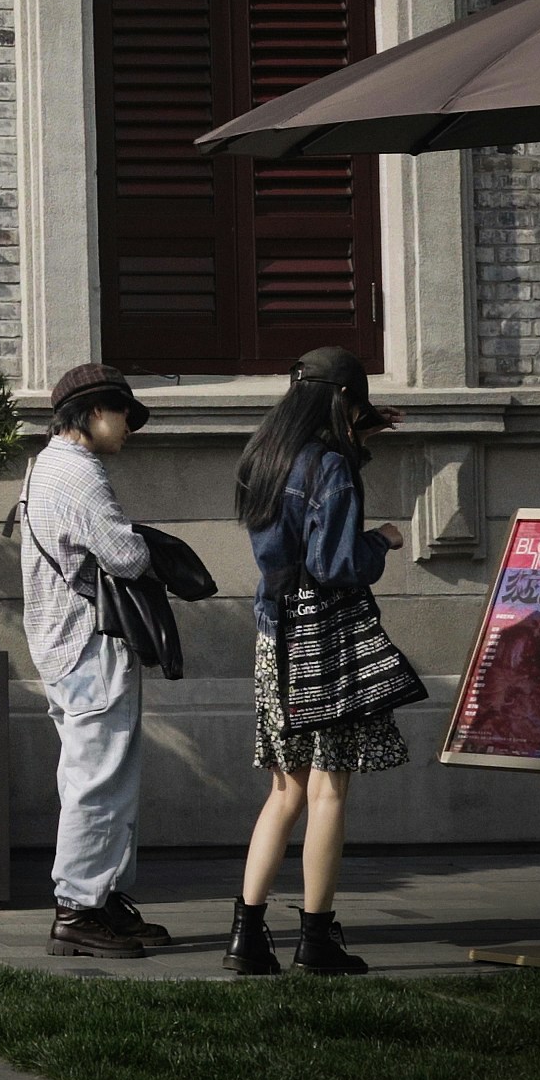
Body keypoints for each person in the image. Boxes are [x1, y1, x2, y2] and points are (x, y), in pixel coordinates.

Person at [229, 346, 418, 977]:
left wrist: (356, 432)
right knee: (329, 788)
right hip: (323, 641)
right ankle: (317, 938)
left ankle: (247, 937)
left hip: (275, 639)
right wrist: (381, 540)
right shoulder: (331, 466)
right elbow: (337, 566)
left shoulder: (264, 456)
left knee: (284, 791)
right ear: (343, 401)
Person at [21, 363, 161, 959]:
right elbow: (125, 557)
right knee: (97, 778)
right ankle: (79, 908)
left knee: (92, 772)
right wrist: (153, 546)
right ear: (95, 412)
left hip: (60, 640)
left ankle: (100, 900)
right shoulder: (79, 474)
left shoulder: (42, 466)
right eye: (124, 413)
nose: (129, 425)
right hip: (88, 643)